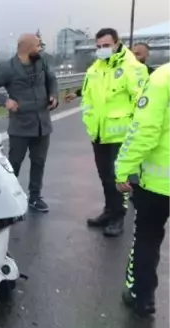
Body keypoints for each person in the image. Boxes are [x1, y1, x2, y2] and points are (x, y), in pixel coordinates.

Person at [80, 28, 149, 237]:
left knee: (119, 178)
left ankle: (118, 217)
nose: (102, 50)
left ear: (117, 43)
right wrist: (89, 122)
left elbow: (142, 102)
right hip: (99, 134)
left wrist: (137, 132)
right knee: (105, 177)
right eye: (99, 46)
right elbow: (87, 98)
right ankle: (109, 212)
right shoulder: (95, 69)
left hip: (121, 135)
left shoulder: (132, 68)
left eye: (106, 46)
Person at [114, 62, 170, 316]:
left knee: (147, 237)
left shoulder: (162, 78)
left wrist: (123, 168)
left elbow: (144, 131)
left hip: (159, 182)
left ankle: (142, 295)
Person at [0, 33, 58, 212]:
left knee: (39, 162)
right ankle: (8, 196)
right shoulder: (8, 68)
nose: (40, 48)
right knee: (14, 163)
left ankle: (34, 196)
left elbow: (52, 80)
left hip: (42, 123)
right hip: (21, 125)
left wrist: (53, 95)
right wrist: (5, 101)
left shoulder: (43, 62)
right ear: (27, 48)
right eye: (38, 45)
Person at [65, 42, 155, 102]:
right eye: (133, 53)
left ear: (147, 56)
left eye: (138, 54)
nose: (134, 57)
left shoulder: (154, 75)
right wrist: (76, 93)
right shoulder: (119, 72)